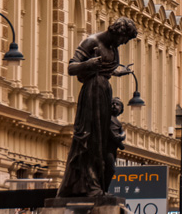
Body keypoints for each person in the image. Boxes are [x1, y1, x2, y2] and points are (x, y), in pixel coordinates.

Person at [57, 17, 138, 198]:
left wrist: (118, 72)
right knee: (90, 138)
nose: (123, 43)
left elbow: (105, 69)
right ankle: (87, 185)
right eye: (123, 39)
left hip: (103, 92)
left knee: (101, 142)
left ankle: (97, 186)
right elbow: (71, 68)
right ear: (118, 32)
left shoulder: (112, 48)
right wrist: (88, 64)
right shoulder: (92, 42)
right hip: (91, 93)